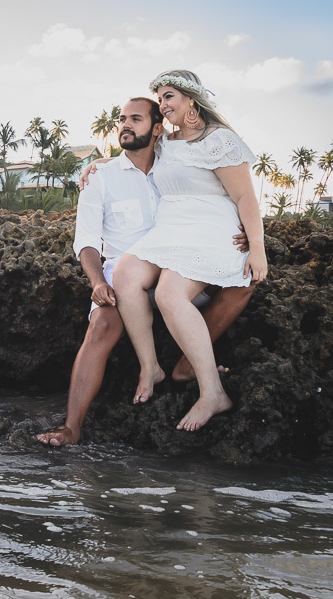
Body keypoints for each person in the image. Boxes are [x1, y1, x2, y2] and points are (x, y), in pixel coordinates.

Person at [35, 95, 253, 448]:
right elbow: (86, 242)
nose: (124, 125)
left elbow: (218, 192)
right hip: (124, 278)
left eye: (135, 119)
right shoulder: (101, 178)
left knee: (241, 283)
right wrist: (96, 282)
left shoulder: (175, 160)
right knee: (103, 323)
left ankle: (185, 365)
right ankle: (72, 427)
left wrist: (239, 232)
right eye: (122, 119)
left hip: (178, 266)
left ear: (157, 129)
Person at [112, 70, 266, 433]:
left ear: (191, 101)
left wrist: (257, 248)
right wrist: (97, 164)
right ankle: (150, 366)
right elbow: (133, 153)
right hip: (169, 228)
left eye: (169, 97)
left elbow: (245, 196)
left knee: (168, 293)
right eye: (161, 99)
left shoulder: (219, 140)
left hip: (211, 228)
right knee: (124, 273)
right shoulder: (166, 141)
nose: (163, 106)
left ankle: (213, 393)